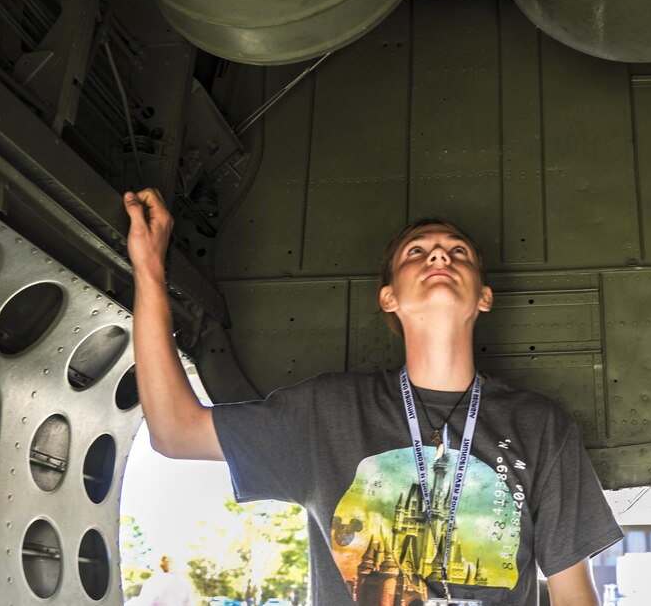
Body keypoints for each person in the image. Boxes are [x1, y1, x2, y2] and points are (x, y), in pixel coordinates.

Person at [124, 189, 624, 605]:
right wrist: (149, 272)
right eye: (417, 252)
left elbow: (573, 594)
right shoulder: (328, 413)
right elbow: (174, 431)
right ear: (389, 297)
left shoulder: (540, 426)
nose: (438, 256)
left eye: (458, 253)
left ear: (484, 297)